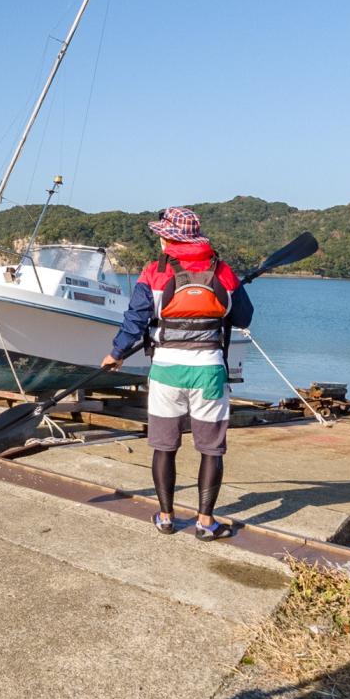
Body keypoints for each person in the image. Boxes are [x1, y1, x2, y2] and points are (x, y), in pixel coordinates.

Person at [100, 207, 253, 540]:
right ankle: (205, 522)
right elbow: (243, 318)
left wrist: (116, 353)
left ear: (167, 237)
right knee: (211, 449)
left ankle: (167, 518)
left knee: (164, 446)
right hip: (209, 372)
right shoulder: (223, 271)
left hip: (167, 371)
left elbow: (135, 320)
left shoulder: (154, 272)